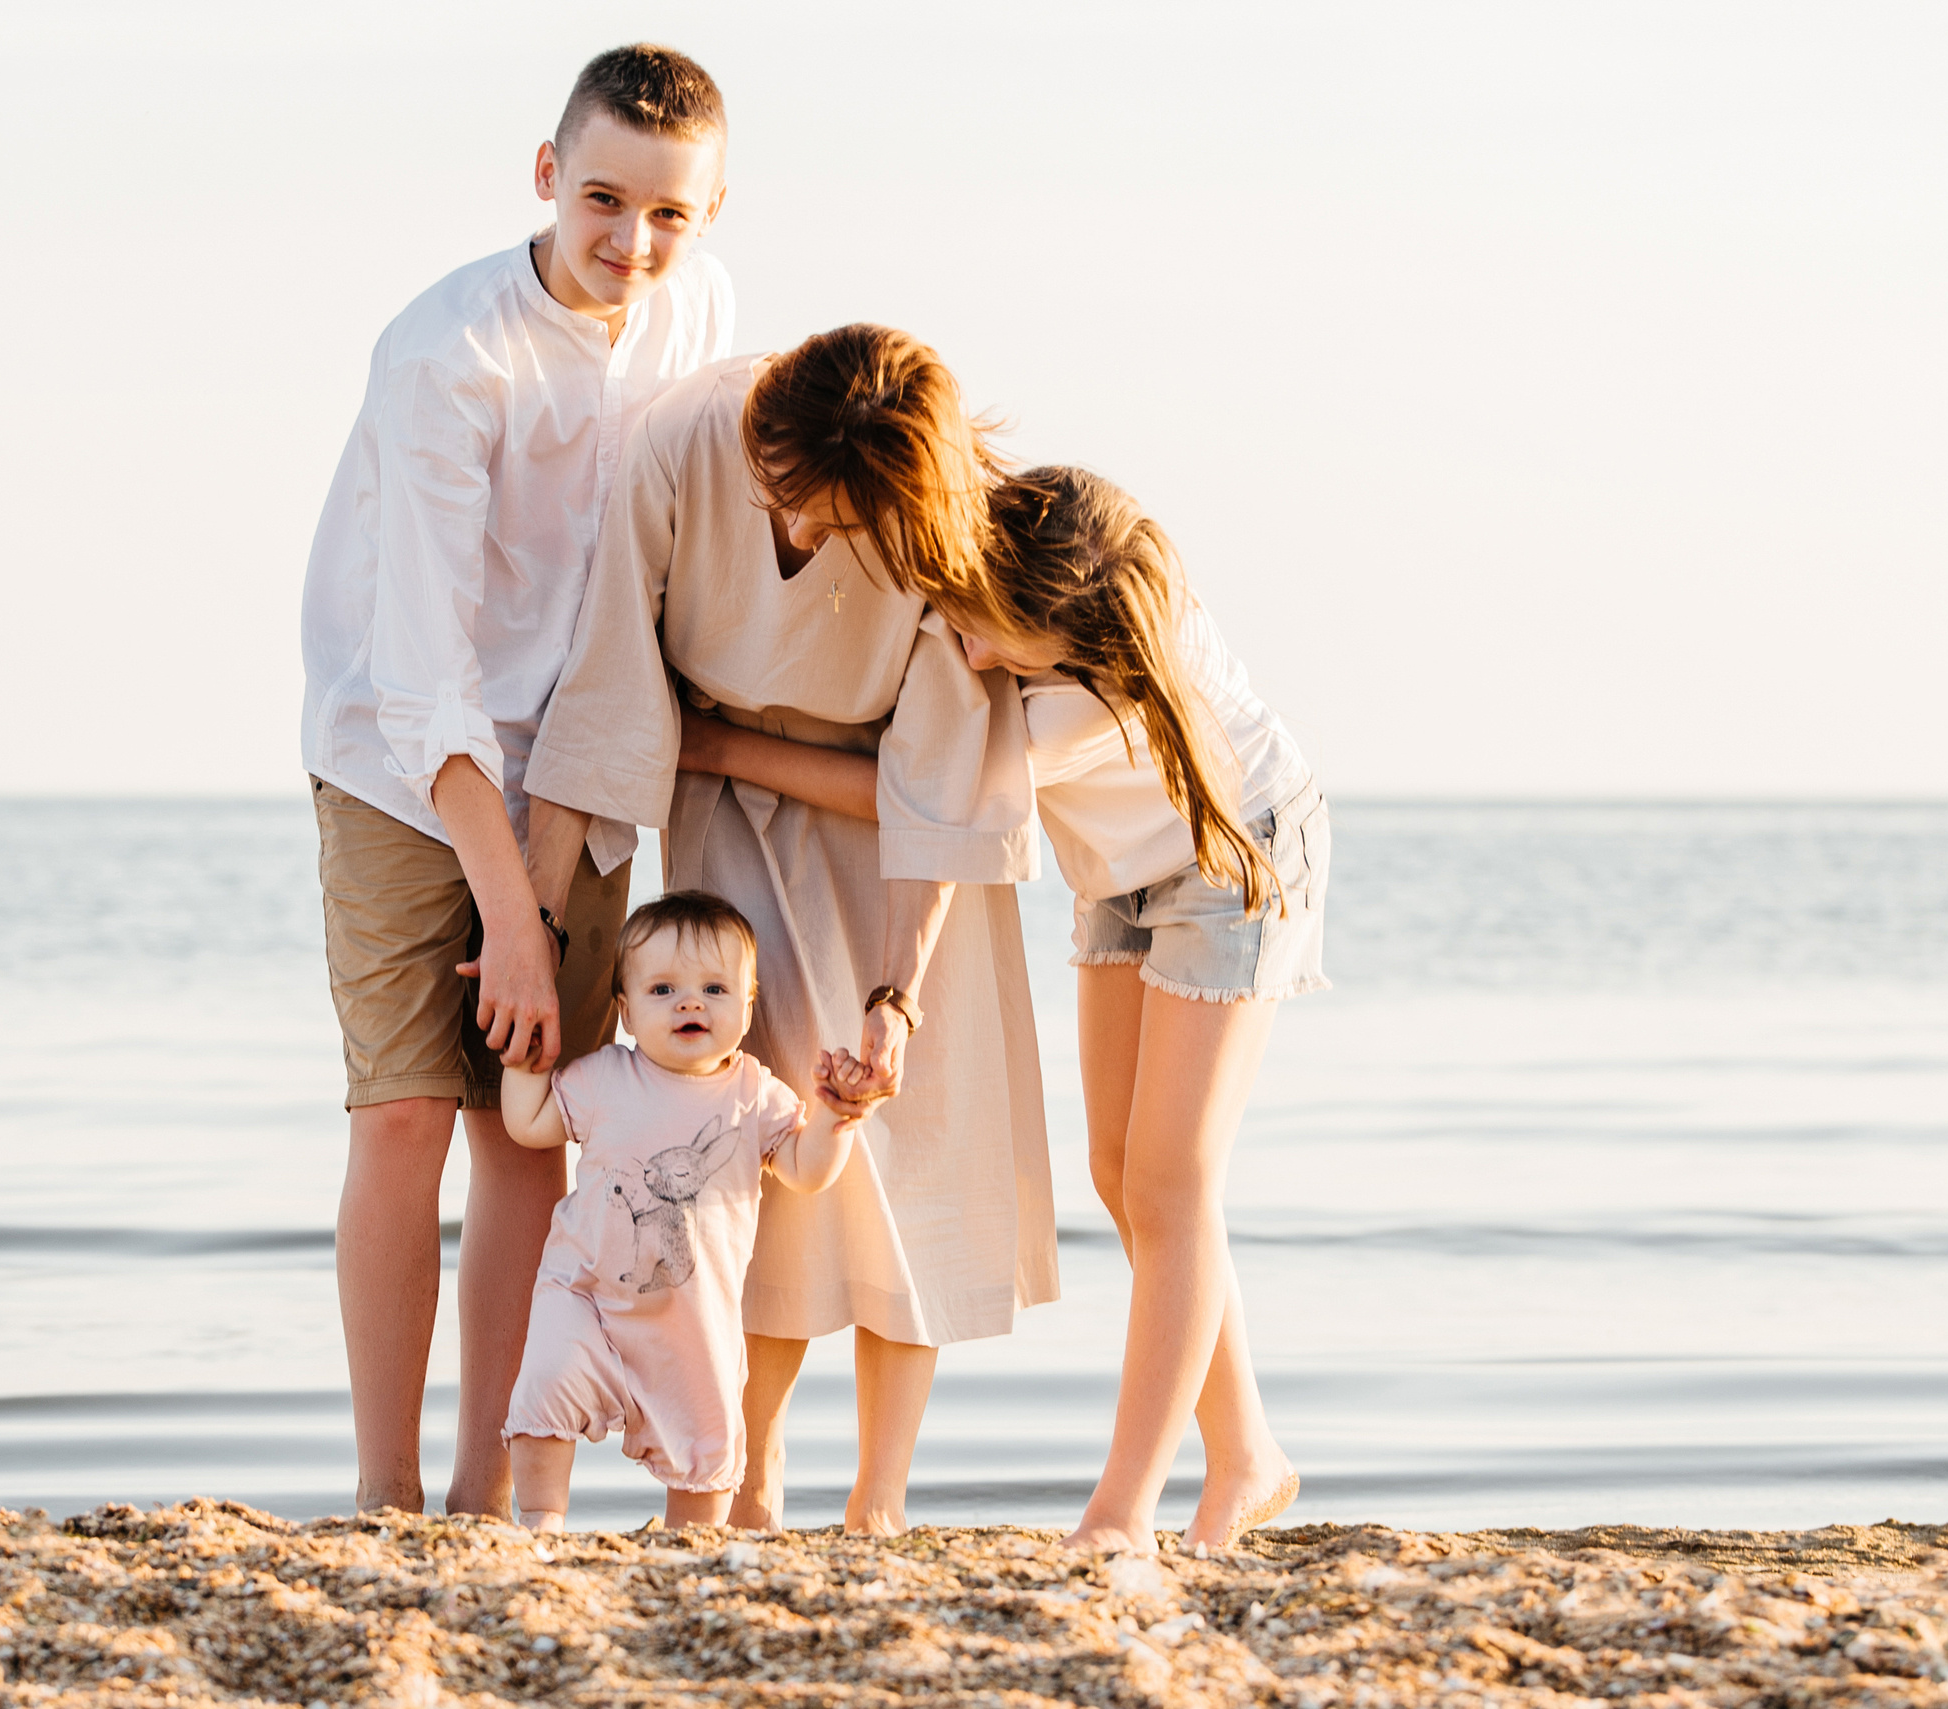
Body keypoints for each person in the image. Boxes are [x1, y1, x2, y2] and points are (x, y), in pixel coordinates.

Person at [677, 465, 1328, 1552]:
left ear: (1064, 636)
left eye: (990, 641)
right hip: (1119, 872)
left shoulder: (1092, 694)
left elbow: (915, 792)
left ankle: (1124, 1510)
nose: (967, 654)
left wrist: (722, 748)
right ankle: (1249, 1452)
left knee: (1172, 1185)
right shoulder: (1045, 535)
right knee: (1122, 1176)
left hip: (1234, 856)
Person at [511, 325, 1058, 1536]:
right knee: (745, 1160)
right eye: (790, 504)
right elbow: (604, 699)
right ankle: (747, 1479)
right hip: (731, 832)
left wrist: (894, 994)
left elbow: (935, 787)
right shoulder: (680, 441)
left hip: (914, 865)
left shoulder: (937, 516)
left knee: (904, 1156)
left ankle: (879, 1498)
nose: (806, 538)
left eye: (839, 523)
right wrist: (540, 929)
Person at [295, 43, 733, 1517]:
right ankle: (385, 1490)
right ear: (549, 177)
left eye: (671, 215)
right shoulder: (446, 357)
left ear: (710, 214)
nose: (634, 244)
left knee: (528, 1130)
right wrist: (514, 916)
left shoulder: (702, 319)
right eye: (607, 200)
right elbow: (426, 685)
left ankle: (489, 1496)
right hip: (401, 766)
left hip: (583, 771)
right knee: (409, 1113)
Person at [498, 891, 875, 1531]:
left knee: (707, 1448)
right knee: (546, 1387)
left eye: (714, 989)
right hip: (586, 1296)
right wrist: (523, 1060)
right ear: (625, 1010)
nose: (690, 1002)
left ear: (748, 1005)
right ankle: (539, 1521)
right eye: (664, 989)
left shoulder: (754, 1094)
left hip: (692, 1325)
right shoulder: (605, 1078)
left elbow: (806, 1173)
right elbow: (529, 1124)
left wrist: (837, 1118)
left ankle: (691, 1544)